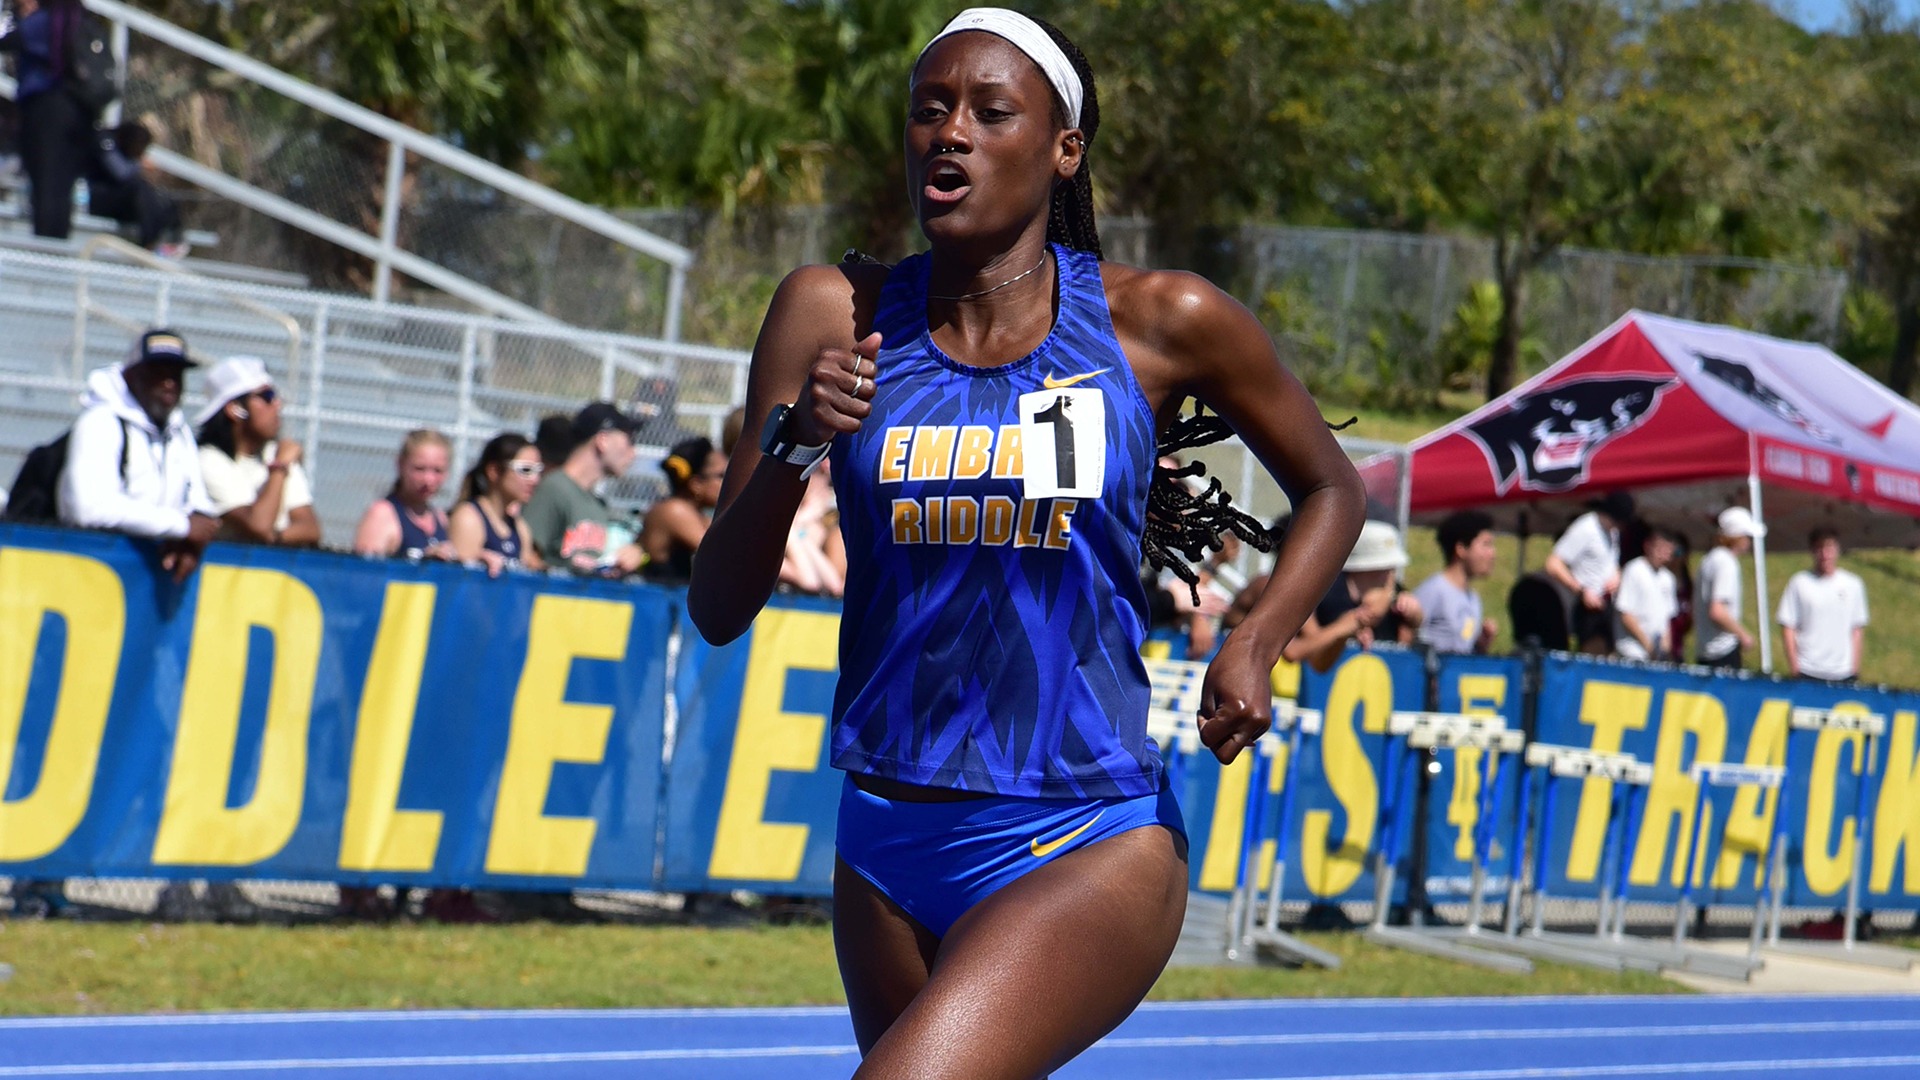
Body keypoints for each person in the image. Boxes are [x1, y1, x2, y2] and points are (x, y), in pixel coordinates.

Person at [685, 12, 1366, 1075]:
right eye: (929, 110)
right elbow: (718, 608)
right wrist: (796, 440)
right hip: (885, 837)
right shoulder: (835, 311)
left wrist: (1255, 639)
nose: (949, 132)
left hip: (1085, 830)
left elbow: (1332, 488)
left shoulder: (1157, 319)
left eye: (989, 112)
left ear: (1064, 150)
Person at [58, 328, 218, 580]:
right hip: (83, 574)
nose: (169, 383)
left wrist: (188, 541)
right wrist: (181, 527)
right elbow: (90, 508)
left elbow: (199, 504)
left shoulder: (179, 432)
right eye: (158, 373)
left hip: (145, 581)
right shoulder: (101, 422)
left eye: (176, 374)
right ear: (131, 375)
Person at [193, 355, 320, 547]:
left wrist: (273, 538)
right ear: (235, 409)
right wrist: (279, 468)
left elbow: (310, 528)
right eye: (267, 396)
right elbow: (259, 526)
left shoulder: (276, 453)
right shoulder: (208, 461)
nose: (277, 404)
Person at [1, 0, 94, 239]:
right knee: (61, 185)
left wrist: (20, 16)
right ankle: (57, 242)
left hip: (46, 109)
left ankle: (47, 244)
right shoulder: (76, 19)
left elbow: (9, 40)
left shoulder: (43, 22)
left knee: (45, 183)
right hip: (75, 112)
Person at [522, 401, 646, 576]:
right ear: (603, 440)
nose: (633, 453)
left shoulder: (598, 504)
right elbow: (524, 558)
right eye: (629, 441)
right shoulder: (554, 489)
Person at [1284, 519, 1422, 672]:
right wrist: (1344, 628)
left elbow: (1402, 650)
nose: (1389, 576)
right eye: (1383, 569)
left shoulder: (1395, 595)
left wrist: (1413, 620)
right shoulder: (1321, 592)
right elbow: (1299, 654)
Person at [1544, 490, 1633, 654]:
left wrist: (1617, 576)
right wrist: (1581, 590)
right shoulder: (1586, 528)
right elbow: (1554, 564)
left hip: (1607, 605)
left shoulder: (1613, 533)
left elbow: (1610, 562)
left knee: (1608, 655)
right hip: (1587, 605)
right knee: (1592, 653)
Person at [1778, 526, 1869, 683]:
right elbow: (1788, 626)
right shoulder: (1799, 583)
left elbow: (1857, 629)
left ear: (1837, 549)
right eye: (1820, 549)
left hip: (1842, 671)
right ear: (1813, 551)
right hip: (1808, 669)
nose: (1825, 555)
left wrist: (1854, 668)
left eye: (1829, 548)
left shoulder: (1853, 584)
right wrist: (1795, 667)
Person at [448, 432, 544, 576]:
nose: (535, 480)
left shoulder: (520, 527)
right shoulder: (469, 519)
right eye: (525, 470)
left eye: (538, 471)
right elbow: (458, 580)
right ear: (494, 471)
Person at [85, 121, 186, 255]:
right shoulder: (106, 140)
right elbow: (120, 173)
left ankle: (172, 239)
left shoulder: (123, 151)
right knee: (138, 187)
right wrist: (140, 165)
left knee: (164, 198)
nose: (140, 154)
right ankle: (149, 242)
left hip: (118, 199)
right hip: (94, 197)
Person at [351, 430, 454, 560]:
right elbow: (365, 570)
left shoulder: (441, 518)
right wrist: (422, 560)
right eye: (419, 468)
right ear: (400, 464)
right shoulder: (382, 514)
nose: (428, 480)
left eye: (437, 470)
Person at [640, 435, 725, 583]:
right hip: (655, 595)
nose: (728, 481)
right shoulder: (674, 511)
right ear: (696, 484)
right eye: (722, 475)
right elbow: (723, 554)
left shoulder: (698, 515)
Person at [1414, 509, 1498, 654]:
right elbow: (1409, 636)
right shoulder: (1434, 590)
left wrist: (1481, 644)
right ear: (1461, 549)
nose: (1492, 553)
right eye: (1486, 544)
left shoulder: (1473, 598)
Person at [1696, 505, 1762, 669]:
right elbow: (1717, 611)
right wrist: (1743, 635)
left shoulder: (1708, 559)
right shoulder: (1726, 563)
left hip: (1704, 649)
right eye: (1747, 536)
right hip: (1722, 651)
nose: (1749, 542)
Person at [1614, 526, 1678, 661]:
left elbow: (1667, 620)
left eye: (1668, 552)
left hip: (1655, 656)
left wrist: (1664, 651)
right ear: (1648, 546)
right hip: (1632, 652)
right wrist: (1649, 646)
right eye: (1660, 550)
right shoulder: (1634, 570)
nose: (1664, 556)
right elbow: (1626, 614)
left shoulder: (1668, 579)